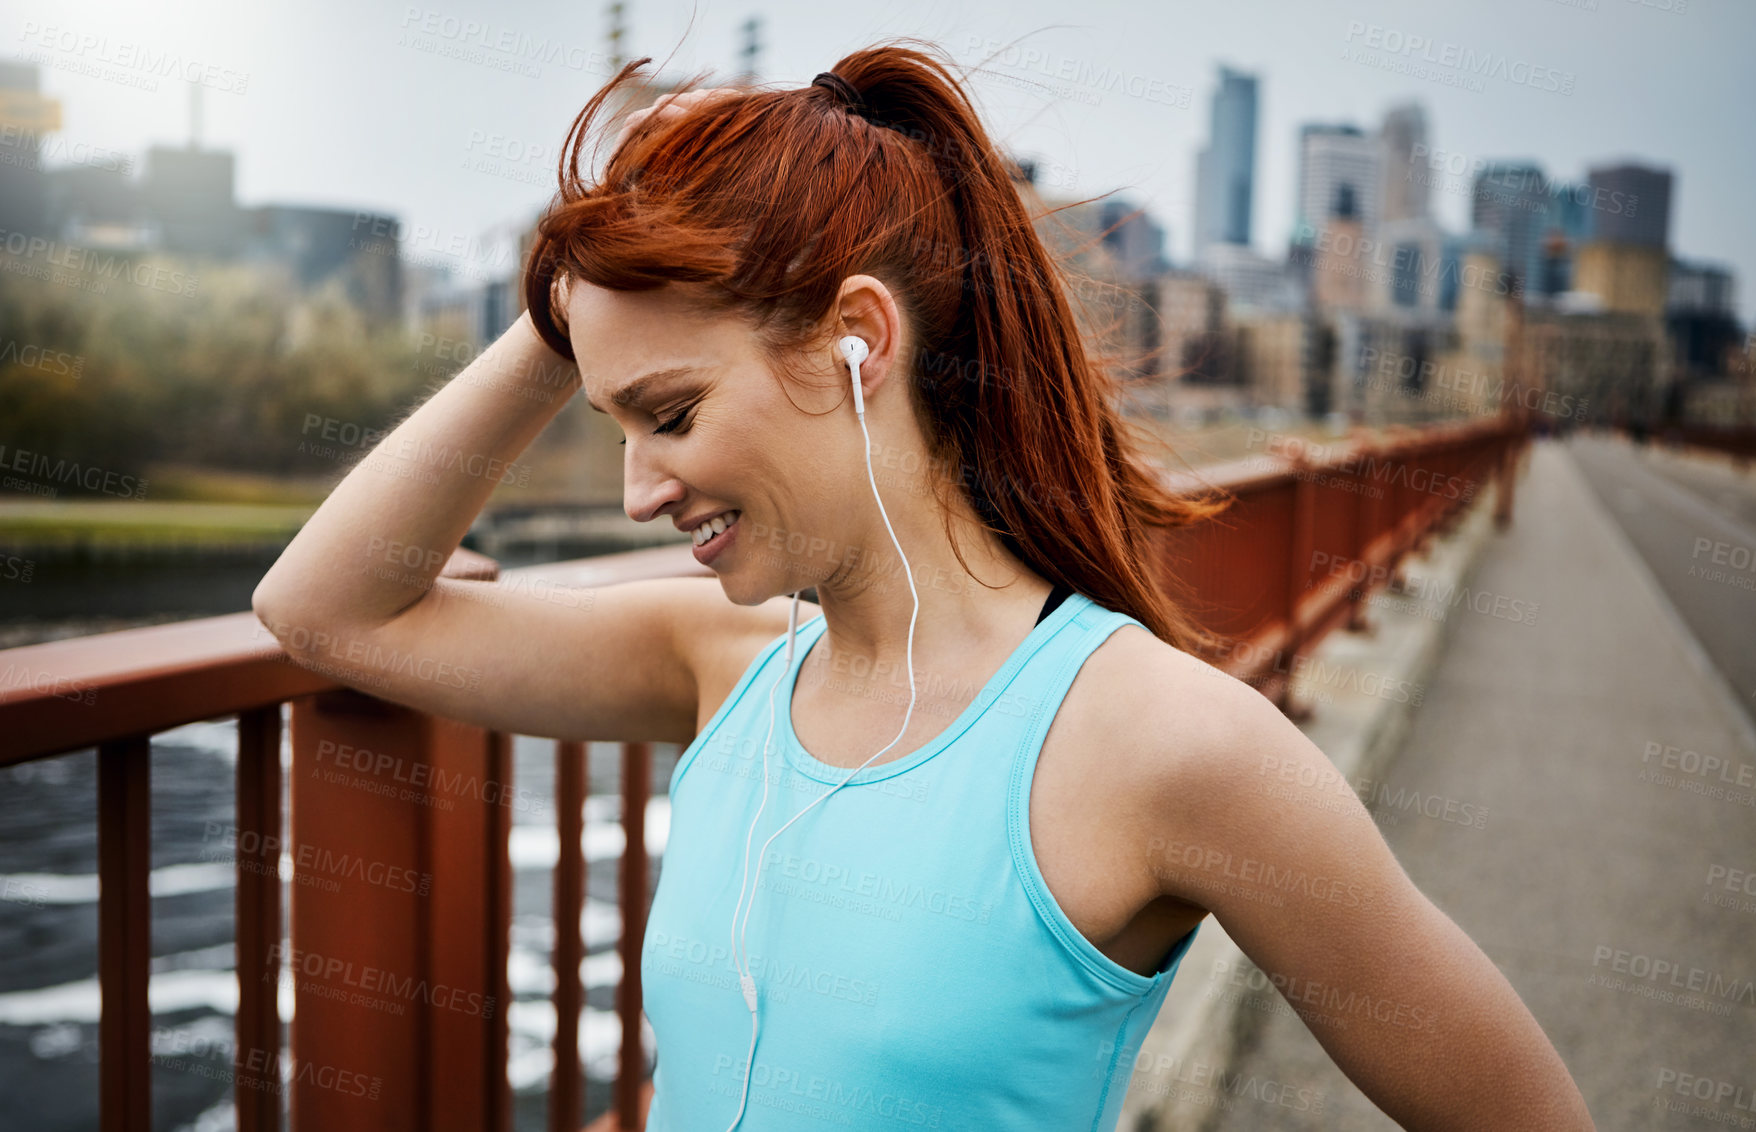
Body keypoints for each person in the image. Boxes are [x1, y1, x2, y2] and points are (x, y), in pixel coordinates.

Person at [253, 41, 1596, 1132]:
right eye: (612, 425)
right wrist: (576, 295)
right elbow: (330, 609)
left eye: (667, 415)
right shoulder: (721, 666)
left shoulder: (1164, 745)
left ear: (856, 341)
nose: (635, 494)